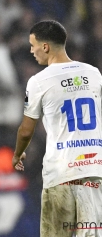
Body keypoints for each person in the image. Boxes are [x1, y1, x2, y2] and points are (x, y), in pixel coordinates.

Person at [12, 20, 102, 237]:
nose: (31, 51)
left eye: (33, 45)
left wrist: (17, 154)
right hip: (93, 171)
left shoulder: (39, 81)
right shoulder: (93, 74)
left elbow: (26, 129)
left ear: (45, 47)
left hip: (60, 173)